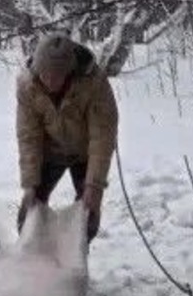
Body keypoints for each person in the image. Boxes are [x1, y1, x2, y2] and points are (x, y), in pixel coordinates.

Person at [16, 33, 119, 239]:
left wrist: (93, 187)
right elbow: (29, 137)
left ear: (69, 73)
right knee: (28, 212)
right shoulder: (28, 86)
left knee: (88, 214)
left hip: (85, 152)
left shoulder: (93, 84)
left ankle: (75, 263)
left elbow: (102, 138)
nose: (49, 81)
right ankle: (31, 260)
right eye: (44, 74)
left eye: (56, 76)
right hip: (50, 149)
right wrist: (30, 185)